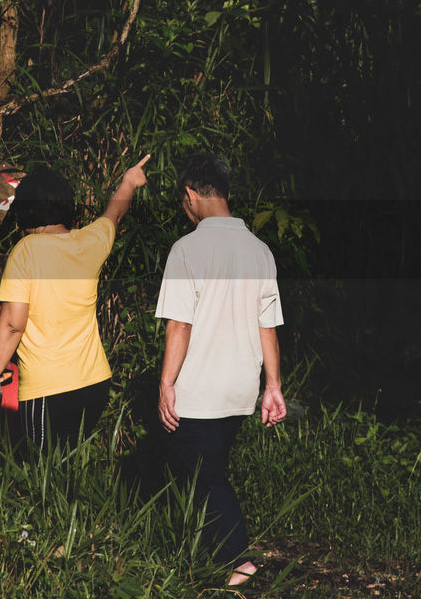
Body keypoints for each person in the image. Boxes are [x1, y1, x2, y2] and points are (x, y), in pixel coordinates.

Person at [154, 152, 287, 586]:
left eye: (182, 200)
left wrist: (166, 383)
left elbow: (179, 324)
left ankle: (238, 561)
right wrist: (274, 386)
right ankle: (211, 559)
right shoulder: (259, 251)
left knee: (206, 478)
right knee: (208, 472)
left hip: (199, 390)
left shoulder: (187, 249)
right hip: (239, 392)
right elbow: (268, 326)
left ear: (190, 195)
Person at [0, 155, 151, 451]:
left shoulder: (26, 251)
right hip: (94, 385)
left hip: (49, 390)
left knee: (43, 477)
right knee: (69, 474)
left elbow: (12, 324)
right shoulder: (89, 242)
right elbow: (115, 213)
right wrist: (130, 181)